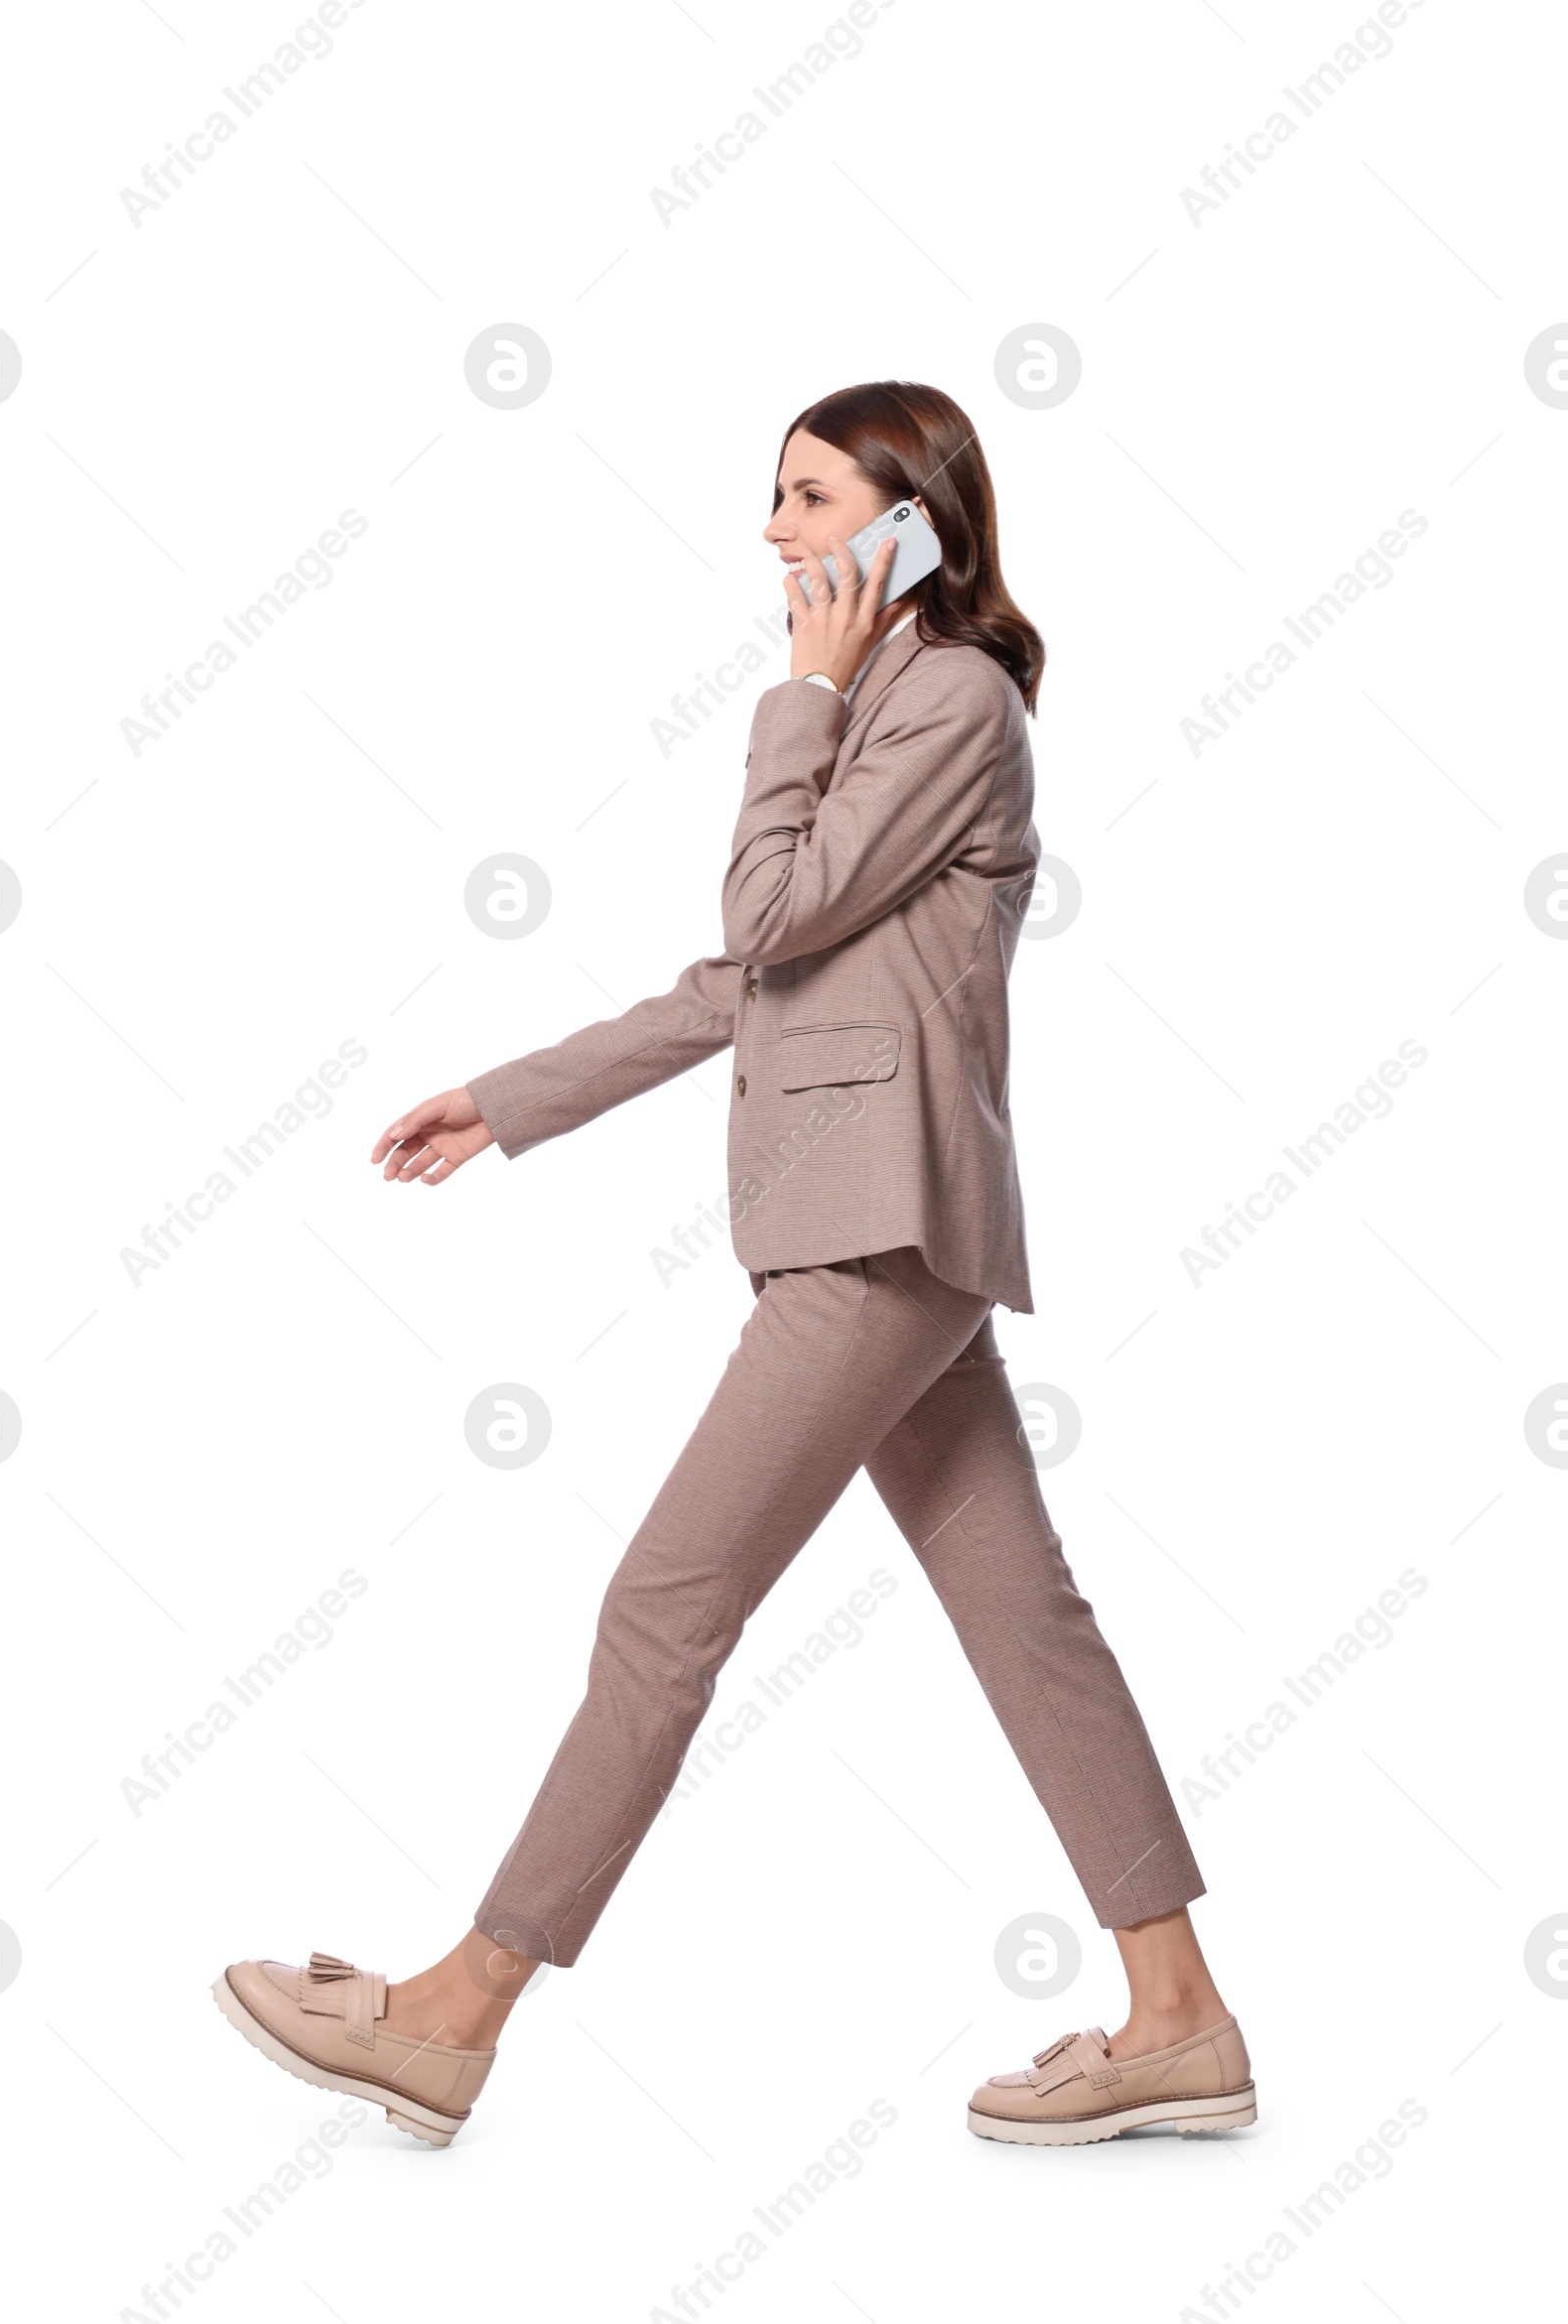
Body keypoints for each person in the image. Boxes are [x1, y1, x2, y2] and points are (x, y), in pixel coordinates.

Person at [212, 380, 1253, 2150]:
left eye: (806, 494)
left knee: (664, 1605)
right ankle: (1181, 2017)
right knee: (1028, 1622)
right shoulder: (892, 708)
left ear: (910, 514)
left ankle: (456, 2013)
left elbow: (764, 913)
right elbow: (746, 984)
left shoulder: (943, 699)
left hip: (872, 1234)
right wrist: (516, 1097)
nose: (773, 530)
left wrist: (800, 694)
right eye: (771, 497)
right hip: (880, 1228)